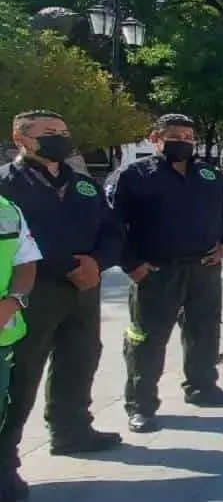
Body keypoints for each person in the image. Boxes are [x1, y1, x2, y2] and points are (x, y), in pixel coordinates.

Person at [0, 110, 109, 502]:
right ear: (21, 139)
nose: (59, 138)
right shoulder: (6, 184)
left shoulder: (82, 184)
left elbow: (111, 228)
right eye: (48, 133)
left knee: (81, 358)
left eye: (63, 131)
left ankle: (72, 430)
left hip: (82, 290)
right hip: (32, 293)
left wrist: (98, 262)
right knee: (21, 376)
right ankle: (4, 460)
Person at [110, 114, 223, 434]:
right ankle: (141, 405)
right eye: (175, 135)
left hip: (204, 268)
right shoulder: (135, 175)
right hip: (156, 271)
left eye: (188, 136)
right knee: (147, 339)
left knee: (205, 329)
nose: (183, 141)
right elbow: (114, 225)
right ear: (155, 138)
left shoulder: (209, 174)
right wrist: (133, 265)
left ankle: (202, 387)